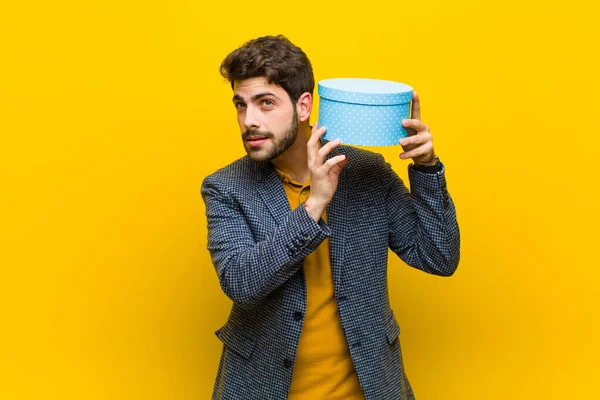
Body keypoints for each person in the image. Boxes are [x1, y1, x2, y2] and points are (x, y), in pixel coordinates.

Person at [201, 34, 460, 400]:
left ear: (303, 105)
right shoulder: (225, 187)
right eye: (241, 105)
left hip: (370, 388)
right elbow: (242, 282)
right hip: (262, 388)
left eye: (265, 103)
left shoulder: (366, 171)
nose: (249, 120)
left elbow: (439, 257)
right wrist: (313, 207)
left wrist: (427, 168)